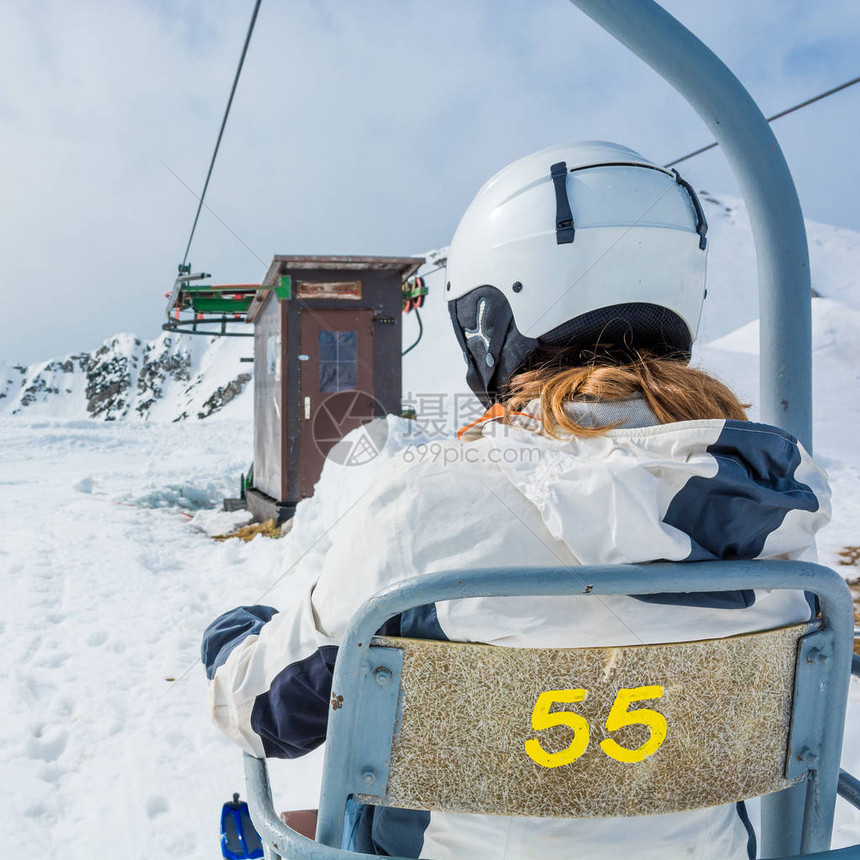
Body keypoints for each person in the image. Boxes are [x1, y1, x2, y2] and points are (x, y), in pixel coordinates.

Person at [202, 142, 830, 859]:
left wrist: (229, 638)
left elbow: (265, 713)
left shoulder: (437, 499)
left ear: (487, 323)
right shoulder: (776, 509)